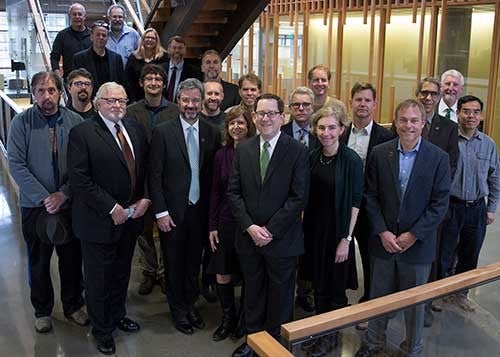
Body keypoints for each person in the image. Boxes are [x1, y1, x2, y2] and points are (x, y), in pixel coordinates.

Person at [356, 99, 450, 357]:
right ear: (395, 122)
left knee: (415, 305)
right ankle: (374, 344)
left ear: (422, 124)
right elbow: (370, 196)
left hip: (418, 246)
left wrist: (413, 234)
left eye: (414, 120)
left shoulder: (438, 158)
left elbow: (440, 204)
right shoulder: (379, 153)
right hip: (383, 243)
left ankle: (412, 349)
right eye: (403, 120)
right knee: (379, 299)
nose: (408, 125)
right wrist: (382, 232)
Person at [68, 82, 150, 355]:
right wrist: (111, 207)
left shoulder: (135, 129)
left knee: (121, 273)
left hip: (130, 220)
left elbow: (146, 169)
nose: (117, 106)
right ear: (99, 102)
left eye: (122, 101)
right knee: (98, 279)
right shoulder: (82, 132)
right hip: (98, 222)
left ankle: (117, 315)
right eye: (111, 100)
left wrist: (145, 199)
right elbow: (80, 180)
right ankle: (102, 330)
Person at [228, 93, 309, 357]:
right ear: (254, 117)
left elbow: (299, 197)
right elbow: (234, 193)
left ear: (282, 117)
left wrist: (271, 230)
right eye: (261, 113)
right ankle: (253, 342)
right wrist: (251, 227)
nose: (266, 118)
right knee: (252, 292)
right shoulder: (244, 149)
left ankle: (275, 345)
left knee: (281, 295)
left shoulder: (297, 150)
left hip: (282, 240)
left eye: (271, 113)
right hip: (249, 239)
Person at [7, 71, 88, 333]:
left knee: (72, 259)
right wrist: (45, 197)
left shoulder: (75, 121)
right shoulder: (21, 124)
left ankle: (73, 305)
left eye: (52, 90)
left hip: (69, 204)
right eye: (41, 91)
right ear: (33, 94)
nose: (47, 96)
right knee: (38, 260)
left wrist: (63, 194)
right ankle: (42, 310)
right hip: (34, 207)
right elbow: (16, 164)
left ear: (61, 93)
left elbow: (81, 166)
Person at [149, 78, 221, 335]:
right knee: (174, 263)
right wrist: (161, 212)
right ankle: (177, 310)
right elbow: (154, 176)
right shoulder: (163, 131)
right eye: (186, 100)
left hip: (199, 212)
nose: (191, 105)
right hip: (173, 213)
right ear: (178, 100)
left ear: (202, 102)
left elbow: (213, 176)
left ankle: (191, 305)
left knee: (194, 263)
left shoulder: (212, 132)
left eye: (195, 100)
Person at [302, 104, 363, 355]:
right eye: (321, 127)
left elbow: (355, 203)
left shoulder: (351, 160)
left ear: (341, 129)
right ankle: (319, 332)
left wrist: (346, 239)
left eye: (331, 127)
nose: (326, 132)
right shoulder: (311, 157)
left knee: (335, 290)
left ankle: (332, 337)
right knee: (318, 285)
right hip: (314, 232)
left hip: (338, 233)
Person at [439, 95, 500, 312]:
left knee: (470, 253)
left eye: (475, 112)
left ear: (481, 116)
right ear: (458, 114)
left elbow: (495, 178)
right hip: (451, 206)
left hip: (477, 208)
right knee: (444, 252)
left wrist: (491, 208)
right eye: (466, 111)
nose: (470, 116)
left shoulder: (488, 144)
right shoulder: (448, 140)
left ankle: (461, 293)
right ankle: (439, 293)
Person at [340, 82, 394, 308]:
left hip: (372, 206)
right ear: (351, 102)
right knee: (342, 251)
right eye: (358, 99)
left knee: (371, 254)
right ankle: (339, 295)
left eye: (367, 100)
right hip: (344, 205)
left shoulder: (387, 137)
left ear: (375, 104)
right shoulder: (340, 133)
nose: (362, 104)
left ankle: (371, 297)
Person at [127, 64, 179, 295]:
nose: (154, 82)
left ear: (164, 84)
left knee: (166, 229)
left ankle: (166, 272)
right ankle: (149, 271)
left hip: (168, 179)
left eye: (159, 78)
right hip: (139, 178)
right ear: (142, 83)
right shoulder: (130, 111)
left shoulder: (175, 111)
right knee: (144, 229)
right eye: (149, 78)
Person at [208, 106, 256, 342]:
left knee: (248, 272)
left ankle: (245, 321)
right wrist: (212, 225)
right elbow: (215, 192)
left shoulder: (256, 151)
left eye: (241, 123)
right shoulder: (221, 155)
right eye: (232, 123)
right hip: (225, 221)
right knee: (222, 272)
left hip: (249, 223)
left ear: (249, 126)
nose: (237, 127)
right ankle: (228, 317)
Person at [281, 86, 318, 313]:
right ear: (290, 108)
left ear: (313, 108)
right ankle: (284, 294)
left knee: (308, 251)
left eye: (306, 105)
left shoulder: (321, 133)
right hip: (283, 206)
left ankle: (305, 292)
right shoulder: (280, 131)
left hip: (313, 206)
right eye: (296, 105)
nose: (301, 108)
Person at [73, 21, 124, 97]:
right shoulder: (79, 58)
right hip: (88, 101)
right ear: (91, 37)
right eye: (98, 35)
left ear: (107, 38)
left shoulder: (117, 58)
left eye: (104, 35)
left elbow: (121, 83)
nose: (101, 37)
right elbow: (76, 83)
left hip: (110, 101)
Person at [124, 28, 168, 103]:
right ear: (142, 39)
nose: (150, 40)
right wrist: (132, 99)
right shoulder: (134, 57)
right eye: (147, 37)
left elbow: (166, 78)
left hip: (158, 99)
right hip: (136, 99)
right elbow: (127, 80)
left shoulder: (164, 57)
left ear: (157, 41)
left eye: (153, 38)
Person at [50, 3, 91, 81]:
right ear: (69, 16)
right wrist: (57, 74)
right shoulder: (62, 35)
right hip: (69, 80)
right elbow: (54, 57)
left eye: (80, 14)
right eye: (74, 14)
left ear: (84, 16)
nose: (77, 17)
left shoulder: (92, 35)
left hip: (89, 80)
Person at [163, 36, 203, 102]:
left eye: (180, 48)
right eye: (174, 48)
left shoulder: (194, 72)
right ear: (168, 49)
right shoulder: (161, 69)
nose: (177, 51)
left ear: (185, 50)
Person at [106, 4, 140, 68]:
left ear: (124, 18)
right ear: (109, 17)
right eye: (114, 16)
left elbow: (140, 54)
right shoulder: (104, 34)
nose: (117, 19)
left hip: (127, 75)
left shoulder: (133, 34)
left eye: (120, 17)